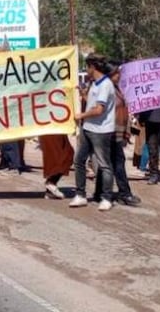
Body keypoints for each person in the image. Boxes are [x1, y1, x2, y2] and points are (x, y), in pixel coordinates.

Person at [69, 53, 115, 211]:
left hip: (101, 130)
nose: (86, 70)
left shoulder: (105, 84)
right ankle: (80, 194)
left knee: (104, 164)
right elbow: (92, 104)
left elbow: (99, 110)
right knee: (79, 160)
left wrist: (81, 115)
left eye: (87, 67)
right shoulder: (94, 83)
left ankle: (107, 197)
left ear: (92, 67)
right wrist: (81, 95)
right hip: (88, 128)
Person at [107, 62, 141, 206]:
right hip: (110, 133)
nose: (118, 77)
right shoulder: (106, 90)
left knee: (113, 164)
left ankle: (105, 193)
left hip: (117, 132)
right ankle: (124, 194)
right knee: (117, 164)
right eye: (116, 74)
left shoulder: (117, 89)